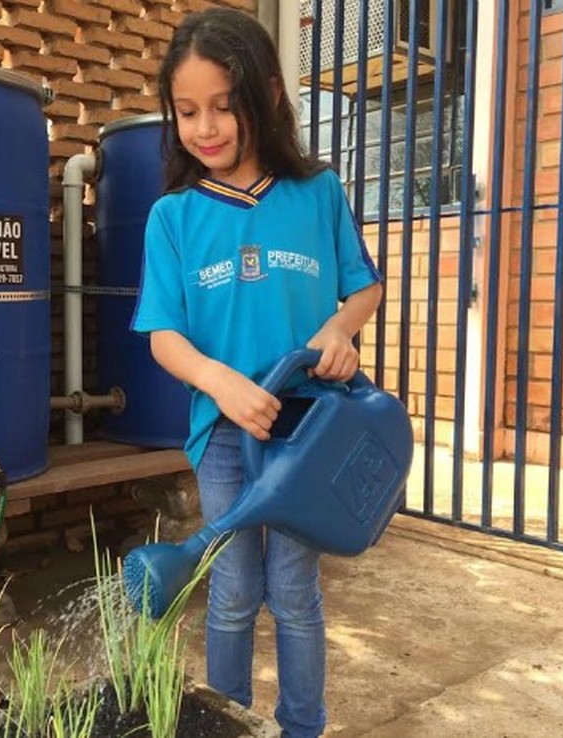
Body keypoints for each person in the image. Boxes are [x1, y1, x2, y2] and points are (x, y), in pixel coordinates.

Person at [130, 7, 384, 738]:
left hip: (312, 431)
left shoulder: (317, 194)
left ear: (269, 96)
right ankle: (229, 721)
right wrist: (222, 383)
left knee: (295, 588)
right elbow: (163, 337)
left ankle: (302, 726)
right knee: (234, 586)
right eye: (187, 111)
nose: (205, 127)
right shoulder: (173, 218)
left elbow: (363, 286)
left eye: (222, 106)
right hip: (223, 436)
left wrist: (341, 330)